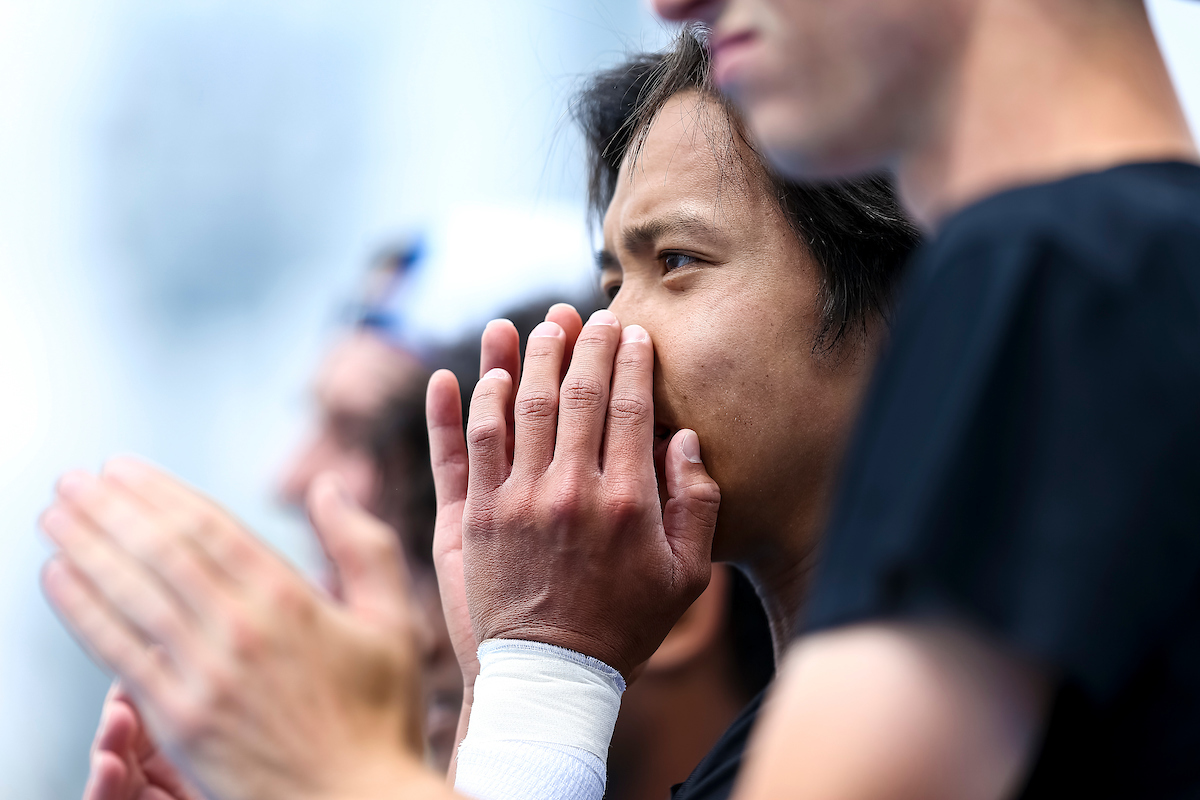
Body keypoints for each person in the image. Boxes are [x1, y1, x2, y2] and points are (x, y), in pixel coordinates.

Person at [37, 28, 919, 800]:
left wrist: (531, 677)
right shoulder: (805, 729)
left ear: (910, 291)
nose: (600, 335)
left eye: (678, 260)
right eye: (610, 281)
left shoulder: (954, 707)